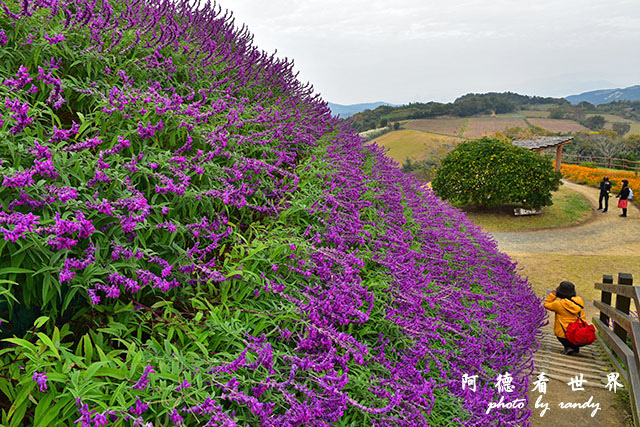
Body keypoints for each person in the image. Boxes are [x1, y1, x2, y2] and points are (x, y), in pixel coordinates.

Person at [544, 281, 587, 355]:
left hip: (565, 335)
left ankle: (568, 347)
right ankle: (575, 348)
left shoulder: (559, 304)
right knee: (574, 334)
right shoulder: (579, 301)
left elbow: (546, 304)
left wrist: (552, 295)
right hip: (580, 335)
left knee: (561, 334)